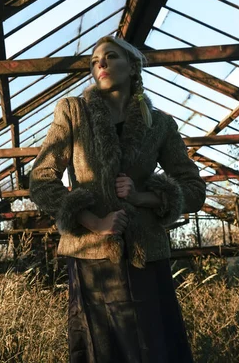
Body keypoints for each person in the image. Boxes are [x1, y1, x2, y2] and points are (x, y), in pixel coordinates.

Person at [29, 36, 206, 363]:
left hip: (147, 256)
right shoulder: (73, 112)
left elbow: (193, 189)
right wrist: (93, 222)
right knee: (103, 351)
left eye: (111, 56)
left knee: (155, 349)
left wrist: (146, 196)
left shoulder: (161, 124)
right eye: (96, 60)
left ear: (133, 66)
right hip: (92, 256)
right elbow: (41, 180)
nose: (102, 64)